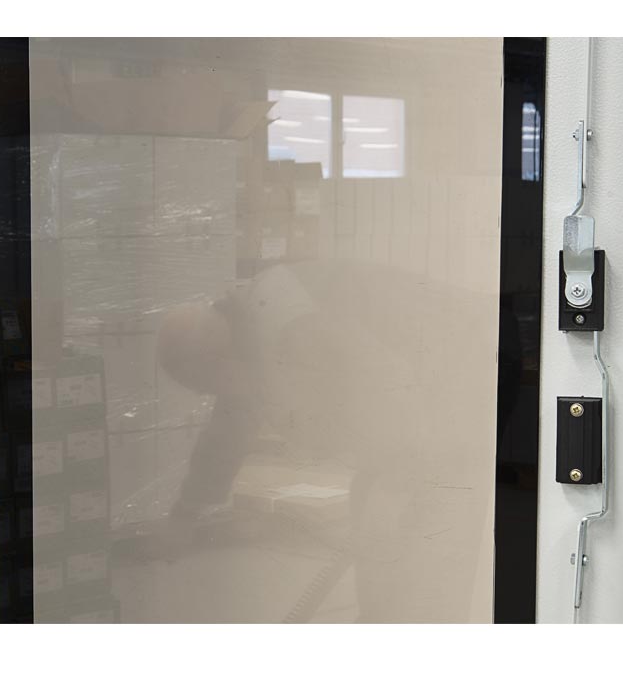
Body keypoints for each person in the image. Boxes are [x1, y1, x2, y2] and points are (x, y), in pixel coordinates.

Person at [153, 258, 509, 621]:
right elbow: (227, 430)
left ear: (218, 362)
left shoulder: (296, 329)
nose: (216, 394)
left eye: (208, 385)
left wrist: (401, 474)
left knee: (427, 537)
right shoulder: (243, 333)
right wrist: (186, 512)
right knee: (375, 515)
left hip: (480, 366)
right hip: (431, 398)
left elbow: (390, 385)